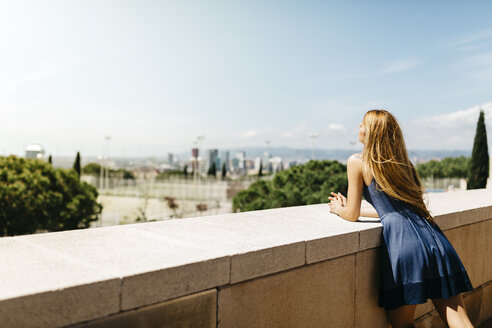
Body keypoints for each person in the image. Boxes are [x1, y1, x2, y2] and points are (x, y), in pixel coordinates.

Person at [328, 109, 474, 328]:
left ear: (373, 132)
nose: (358, 127)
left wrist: (339, 209)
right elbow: (399, 208)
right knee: (459, 320)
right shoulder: (405, 165)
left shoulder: (357, 161)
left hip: (405, 245)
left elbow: (352, 214)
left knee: (403, 324)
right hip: (435, 240)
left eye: (362, 124)